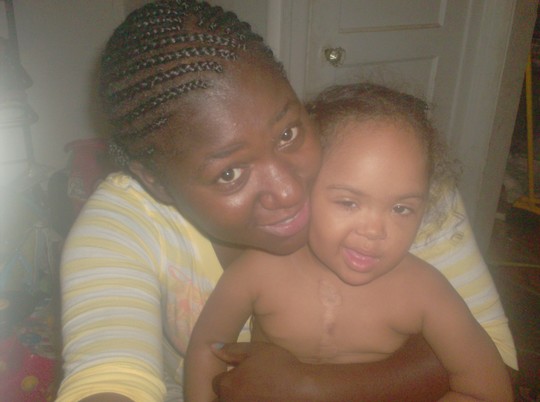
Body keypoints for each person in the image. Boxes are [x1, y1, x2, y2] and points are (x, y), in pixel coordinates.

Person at [56, 1, 517, 401]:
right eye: (229, 174)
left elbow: (493, 363)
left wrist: (308, 388)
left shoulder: (396, 173)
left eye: (288, 132)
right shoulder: (120, 229)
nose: (290, 192)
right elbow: (110, 376)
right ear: (155, 181)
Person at [184, 83, 513, 402]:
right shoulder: (257, 271)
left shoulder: (425, 292)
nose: (375, 231)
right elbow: (208, 348)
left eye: (401, 209)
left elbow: (488, 390)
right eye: (349, 202)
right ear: (302, 186)